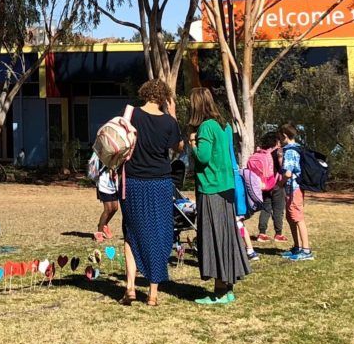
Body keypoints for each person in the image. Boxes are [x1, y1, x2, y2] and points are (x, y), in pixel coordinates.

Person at [118, 78, 182, 307]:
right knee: (158, 233)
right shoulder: (168, 122)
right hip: (160, 183)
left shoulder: (132, 114)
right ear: (165, 97)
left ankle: (130, 288)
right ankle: (153, 293)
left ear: (144, 93)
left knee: (131, 232)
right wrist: (172, 115)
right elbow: (178, 147)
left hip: (133, 181)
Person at [188, 87, 248, 305]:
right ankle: (227, 287)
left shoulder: (205, 127)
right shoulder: (223, 126)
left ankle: (220, 291)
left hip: (211, 189)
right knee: (227, 236)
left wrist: (192, 143)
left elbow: (202, 158)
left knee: (214, 238)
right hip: (226, 189)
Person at [278, 123, 313, 262]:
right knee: (291, 216)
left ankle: (306, 249)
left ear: (285, 136)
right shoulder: (294, 149)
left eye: (280, 137)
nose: (279, 140)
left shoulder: (291, 151)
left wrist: (278, 184)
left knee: (298, 217)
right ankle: (297, 246)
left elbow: (287, 173)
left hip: (294, 188)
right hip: (290, 188)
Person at [250, 132, 284, 243]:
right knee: (278, 209)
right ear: (276, 141)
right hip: (276, 184)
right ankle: (278, 234)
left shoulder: (260, 152)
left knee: (265, 209)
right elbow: (281, 168)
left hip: (263, 185)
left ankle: (262, 233)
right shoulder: (276, 153)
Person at [89, 148, 119, 241]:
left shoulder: (117, 149)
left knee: (115, 208)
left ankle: (104, 224)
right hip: (103, 182)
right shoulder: (100, 150)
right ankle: (99, 232)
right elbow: (95, 165)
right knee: (108, 208)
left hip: (113, 182)